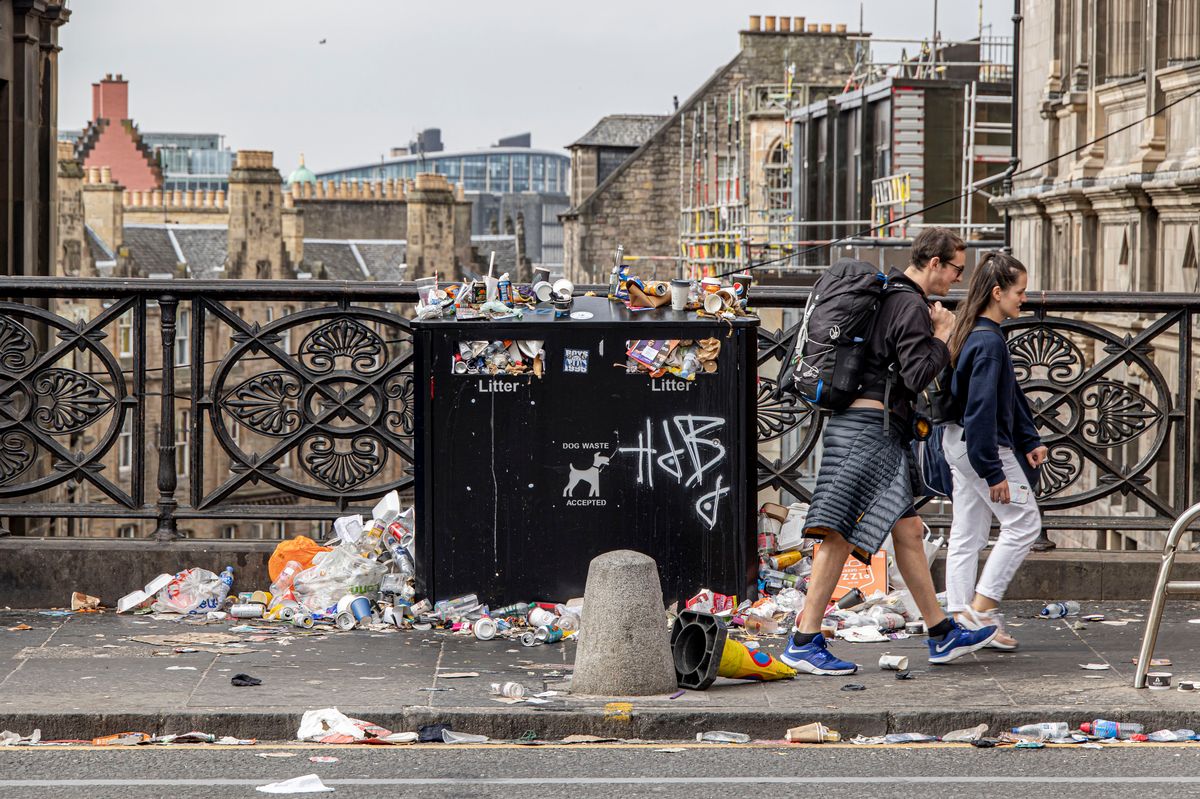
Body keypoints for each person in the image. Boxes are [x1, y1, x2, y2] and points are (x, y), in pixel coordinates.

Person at [780, 228, 997, 675]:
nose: (958, 279)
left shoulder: (891, 296)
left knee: (909, 529)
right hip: (868, 430)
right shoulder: (910, 305)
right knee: (837, 533)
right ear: (934, 263)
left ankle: (941, 633)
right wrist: (943, 333)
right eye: (956, 268)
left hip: (866, 426)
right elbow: (918, 374)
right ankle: (804, 640)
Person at [942, 251, 1047, 650]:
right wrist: (994, 472)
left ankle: (957, 617)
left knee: (968, 531)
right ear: (998, 292)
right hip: (981, 448)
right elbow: (984, 410)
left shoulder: (973, 333)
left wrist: (1028, 438)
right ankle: (979, 611)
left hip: (957, 442)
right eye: (1020, 291)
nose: (1025, 298)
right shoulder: (989, 342)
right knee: (1024, 524)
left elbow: (1006, 396)